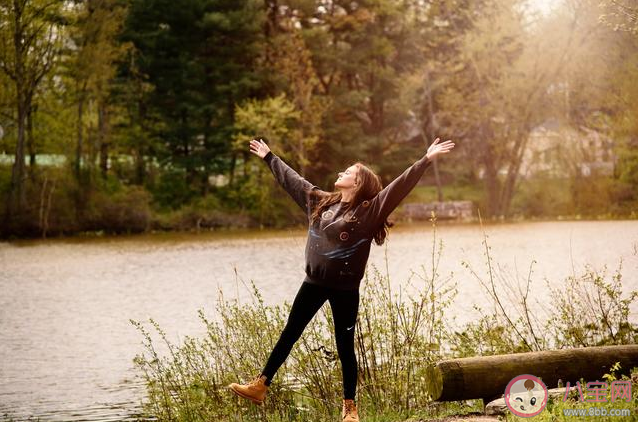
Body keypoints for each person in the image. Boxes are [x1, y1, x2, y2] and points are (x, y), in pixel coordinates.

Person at [229, 136, 455, 421]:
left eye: (347, 172)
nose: (341, 174)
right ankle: (260, 386)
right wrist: (270, 157)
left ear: (358, 183)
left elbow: (398, 187)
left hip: (345, 289)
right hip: (312, 284)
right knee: (290, 332)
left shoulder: (369, 212)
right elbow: (294, 181)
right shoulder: (322, 203)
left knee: (344, 346)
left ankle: (350, 408)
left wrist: (425, 160)